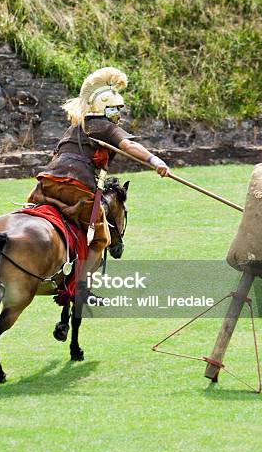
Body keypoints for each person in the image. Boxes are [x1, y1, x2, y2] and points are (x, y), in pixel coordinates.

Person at [27, 66, 169, 295]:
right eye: (115, 109)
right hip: (76, 188)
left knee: (34, 211)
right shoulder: (105, 127)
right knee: (100, 237)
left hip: (46, 184)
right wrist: (155, 161)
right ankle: (82, 289)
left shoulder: (74, 128)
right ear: (105, 108)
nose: (118, 115)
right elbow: (130, 146)